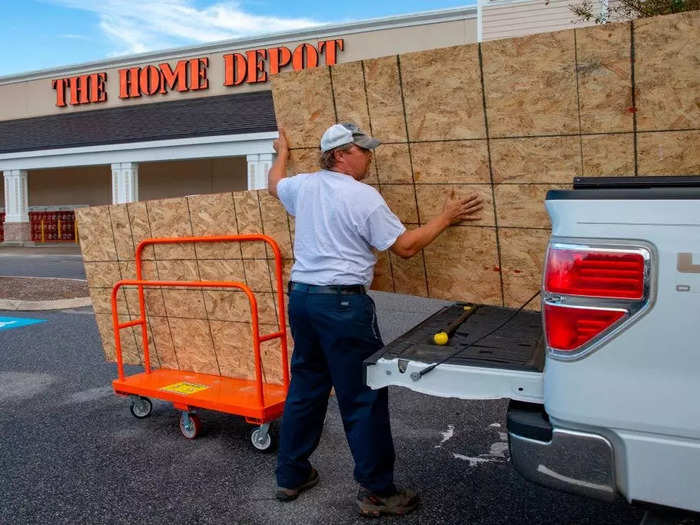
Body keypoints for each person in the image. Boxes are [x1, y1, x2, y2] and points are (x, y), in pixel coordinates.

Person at [267, 122, 483, 517]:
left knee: (306, 388)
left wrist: (281, 151)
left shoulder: (303, 187)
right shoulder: (362, 197)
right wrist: (446, 217)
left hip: (302, 300)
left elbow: (274, 183)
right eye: (363, 150)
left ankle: (291, 475)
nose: (369, 157)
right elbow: (404, 247)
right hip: (343, 308)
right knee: (362, 397)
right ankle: (378, 492)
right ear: (340, 155)